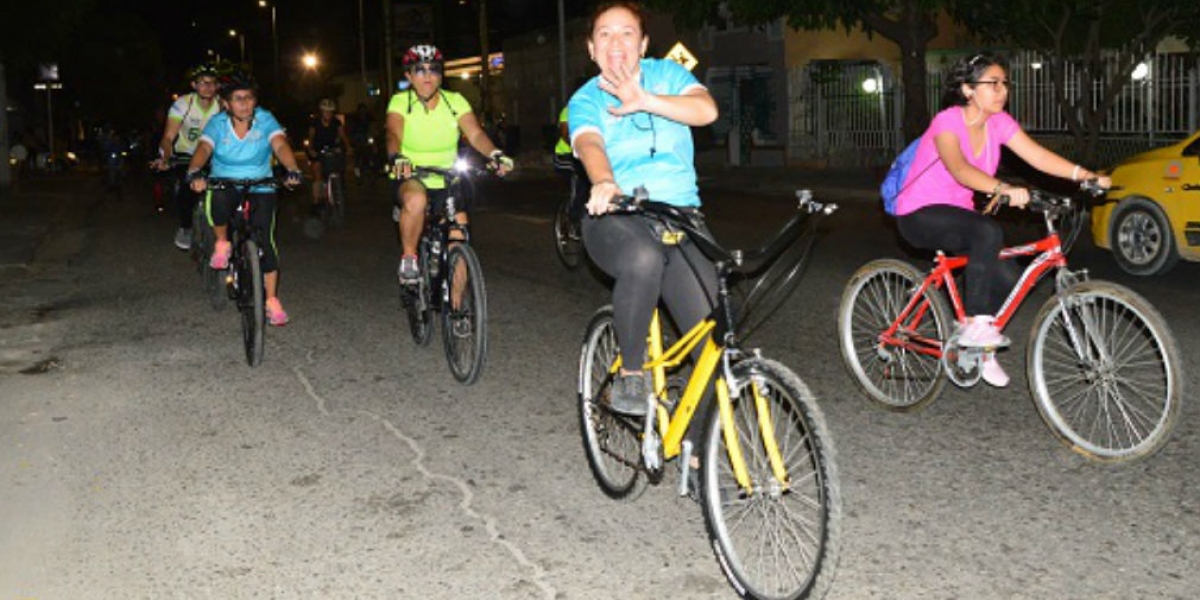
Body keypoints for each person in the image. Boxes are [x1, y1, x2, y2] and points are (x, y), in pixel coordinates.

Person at [892, 52, 1111, 387]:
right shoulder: (948, 121)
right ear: (968, 90)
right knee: (986, 231)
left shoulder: (1000, 124)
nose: (1002, 90)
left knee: (1009, 278)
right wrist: (1003, 188)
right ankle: (978, 327)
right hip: (919, 213)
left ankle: (981, 346)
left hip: (959, 215)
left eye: (1005, 83)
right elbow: (959, 169)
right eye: (992, 83)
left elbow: (1036, 156)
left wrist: (1085, 175)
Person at [568, 1, 719, 416]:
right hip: (616, 217)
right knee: (643, 257)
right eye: (604, 34)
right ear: (591, 48)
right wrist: (604, 181)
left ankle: (695, 453)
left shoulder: (666, 75)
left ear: (644, 43)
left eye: (627, 32)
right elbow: (588, 144)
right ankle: (631, 375)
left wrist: (646, 99)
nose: (616, 42)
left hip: (679, 217)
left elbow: (706, 110)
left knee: (714, 343)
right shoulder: (586, 98)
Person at [385, 43, 513, 284]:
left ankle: (458, 312)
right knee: (416, 200)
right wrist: (397, 157)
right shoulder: (400, 101)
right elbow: (393, 134)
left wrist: (495, 154)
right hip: (412, 175)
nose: (427, 76)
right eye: (420, 70)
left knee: (460, 237)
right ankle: (410, 257)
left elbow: (475, 134)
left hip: (447, 178)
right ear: (408, 76)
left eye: (434, 70)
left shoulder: (455, 100)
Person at [185, 72, 303, 327]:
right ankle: (221, 242)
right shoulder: (217, 123)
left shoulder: (265, 119)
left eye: (249, 98)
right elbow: (204, 149)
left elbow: (280, 145)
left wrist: (292, 168)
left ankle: (271, 300)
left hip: (261, 184)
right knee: (215, 200)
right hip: (225, 182)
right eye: (238, 99)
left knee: (266, 242)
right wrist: (194, 172)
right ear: (226, 103)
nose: (245, 103)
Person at [152, 64, 223, 250]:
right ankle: (186, 227)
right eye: (202, 83)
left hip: (214, 154)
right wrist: (166, 157)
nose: (207, 87)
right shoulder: (183, 104)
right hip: (186, 154)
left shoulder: (223, 105)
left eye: (212, 83)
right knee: (186, 186)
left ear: (217, 87)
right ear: (193, 85)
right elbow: (168, 137)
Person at [305, 98, 351, 214]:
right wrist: (311, 149)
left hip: (332, 149)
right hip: (318, 150)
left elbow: (342, 135)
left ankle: (339, 193)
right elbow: (311, 137)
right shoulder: (315, 122)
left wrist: (348, 147)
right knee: (317, 173)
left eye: (330, 112)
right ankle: (316, 201)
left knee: (339, 167)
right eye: (326, 111)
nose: (328, 114)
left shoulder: (336, 122)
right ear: (321, 112)